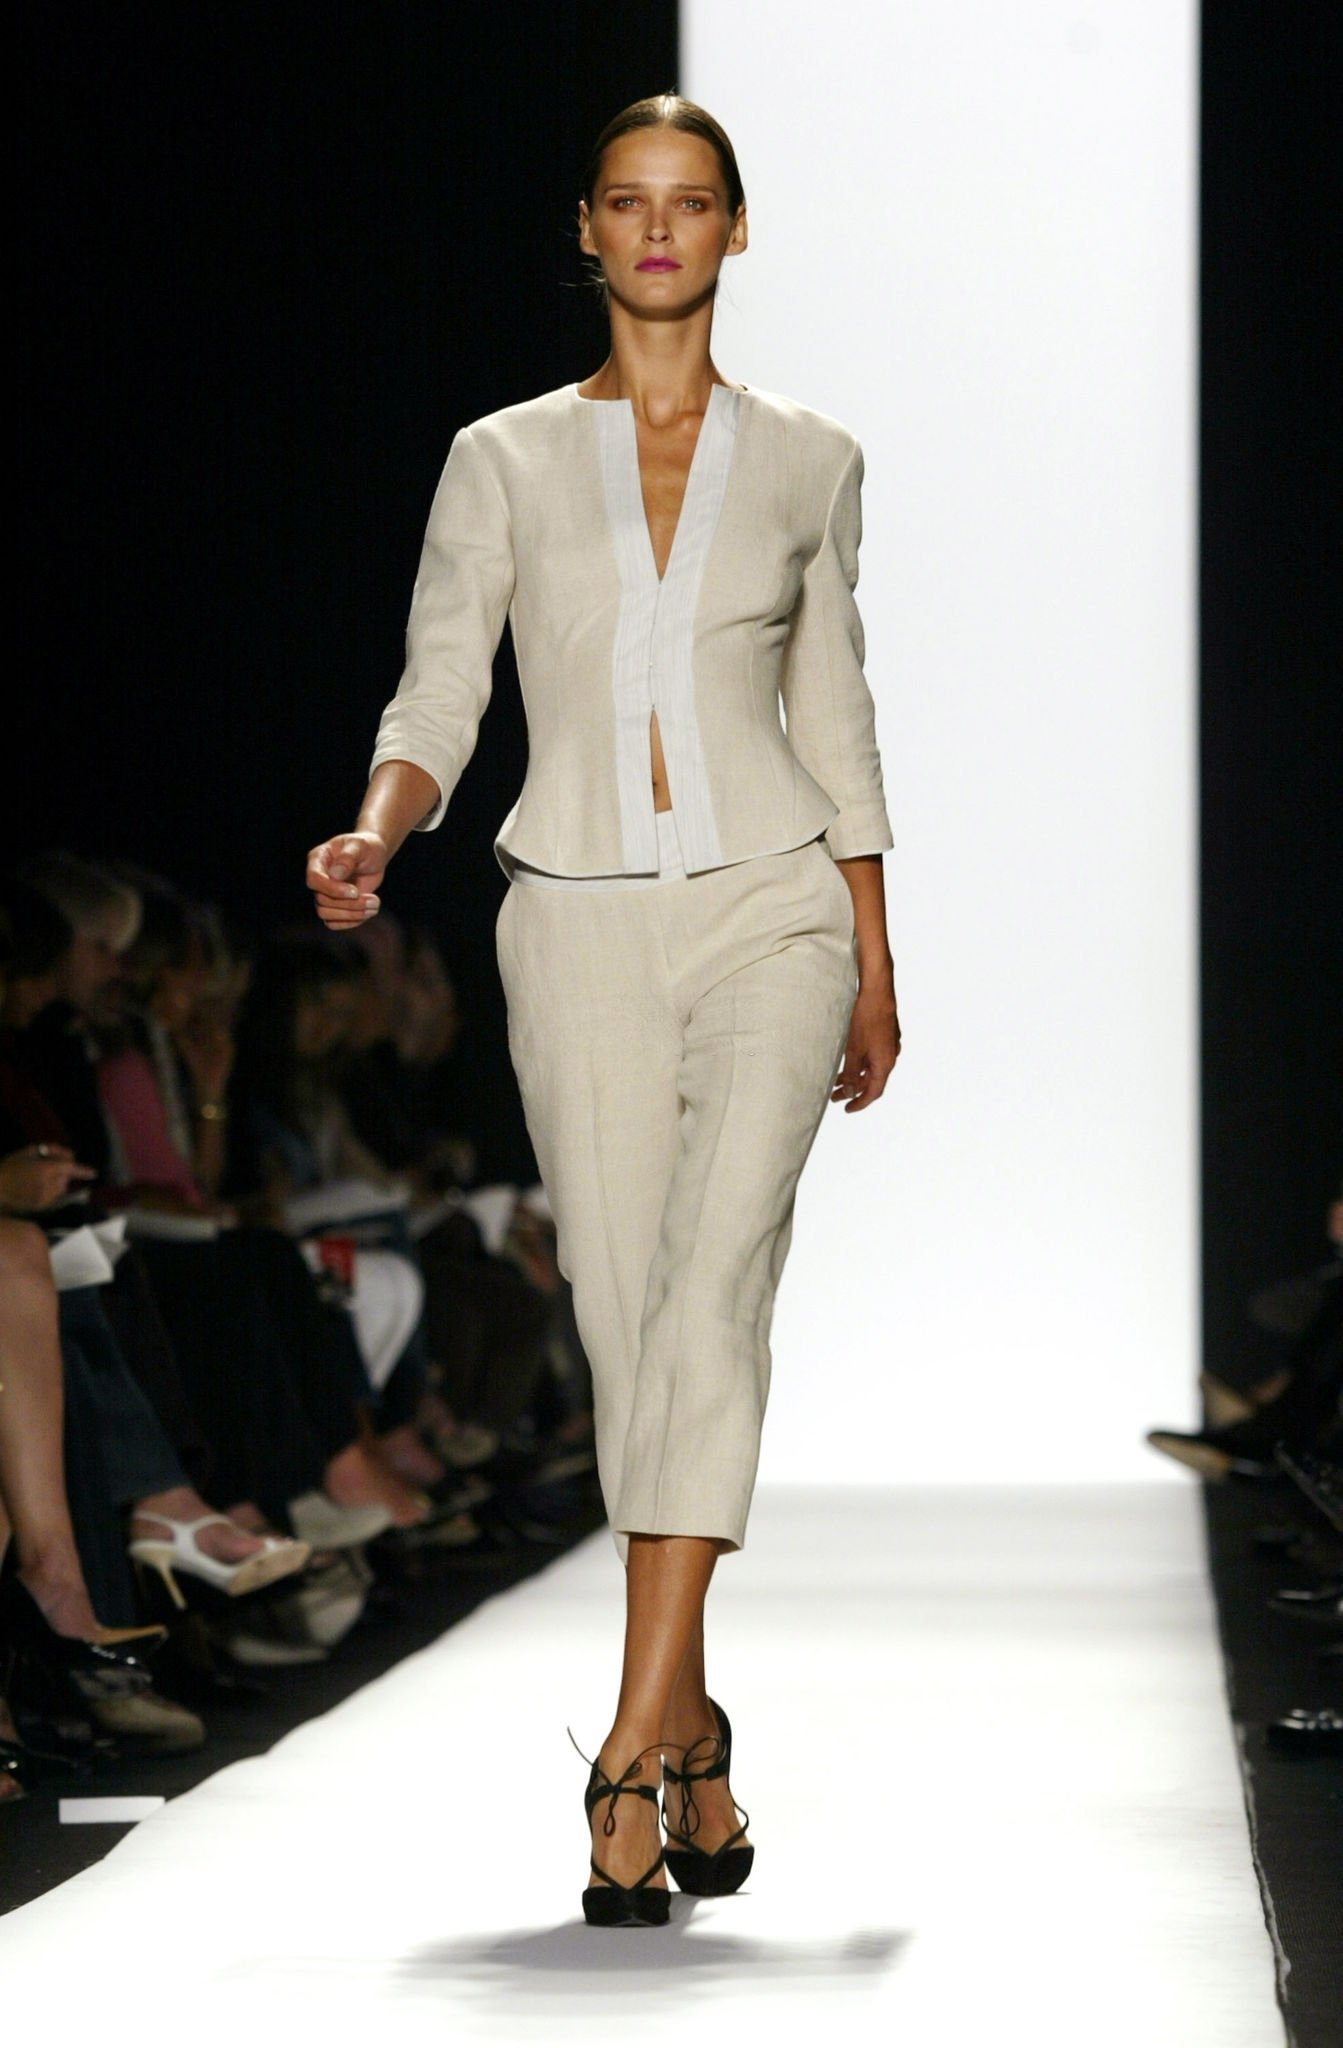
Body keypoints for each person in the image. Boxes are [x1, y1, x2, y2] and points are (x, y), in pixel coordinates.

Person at [307, 94, 901, 1927]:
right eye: (628, 203)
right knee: (628, 1324)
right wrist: (380, 824)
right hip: (566, 916)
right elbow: (439, 687)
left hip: (773, 908)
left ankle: (628, 1748)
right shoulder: (497, 458)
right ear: (585, 228)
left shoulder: (810, 458)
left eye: (691, 202)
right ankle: (694, 1724)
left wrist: (873, 952)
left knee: (713, 1288)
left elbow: (835, 711)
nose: (658, 229)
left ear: (736, 229)